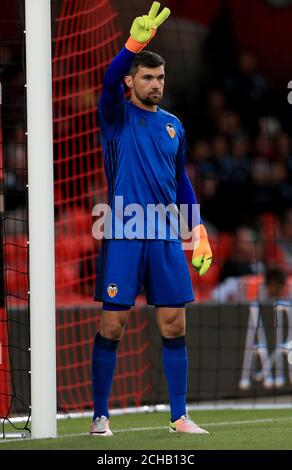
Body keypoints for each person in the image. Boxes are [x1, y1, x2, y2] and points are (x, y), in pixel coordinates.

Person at [91, 2, 212, 437]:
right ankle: (100, 417)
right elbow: (106, 81)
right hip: (123, 230)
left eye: (160, 77)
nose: (156, 83)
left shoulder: (174, 126)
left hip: (164, 235)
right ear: (130, 81)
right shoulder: (115, 115)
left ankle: (179, 417)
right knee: (113, 323)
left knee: (175, 322)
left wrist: (197, 230)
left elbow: (181, 182)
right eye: (147, 76)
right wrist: (132, 45)